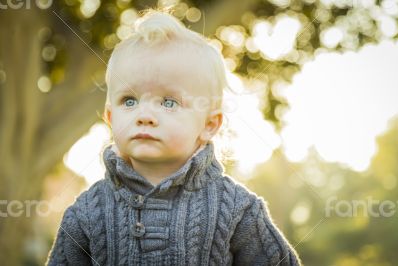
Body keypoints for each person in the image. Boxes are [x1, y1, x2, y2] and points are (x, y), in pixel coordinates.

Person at [46, 9, 302, 266]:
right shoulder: (87, 213)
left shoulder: (237, 209)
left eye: (168, 102)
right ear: (111, 118)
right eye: (129, 100)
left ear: (209, 124)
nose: (144, 115)